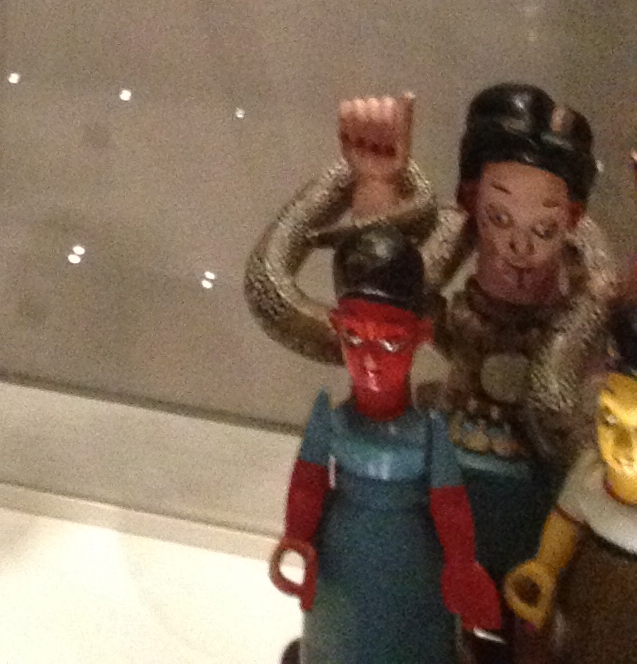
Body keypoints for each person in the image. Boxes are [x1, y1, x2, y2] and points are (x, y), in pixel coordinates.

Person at [248, 86, 613, 609]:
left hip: (546, 502)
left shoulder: (588, 309)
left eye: (545, 227)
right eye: (499, 217)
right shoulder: (433, 313)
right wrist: (375, 182)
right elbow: (378, 293)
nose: (520, 246)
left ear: (572, 219)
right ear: (470, 201)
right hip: (443, 491)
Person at [271, 223, 502, 663]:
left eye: (391, 341)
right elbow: (308, 483)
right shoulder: (330, 419)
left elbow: (450, 503)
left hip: (413, 557)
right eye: (353, 337)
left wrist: (460, 562)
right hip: (341, 553)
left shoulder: (430, 430)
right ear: (336, 327)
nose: (370, 360)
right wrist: (297, 535)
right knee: (338, 639)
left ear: (420, 336)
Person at [506, 303, 637, 654]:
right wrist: (545, 568)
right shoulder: (590, 477)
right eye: (610, 419)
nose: (622, 447)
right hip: (587, 603)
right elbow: (565, 523)